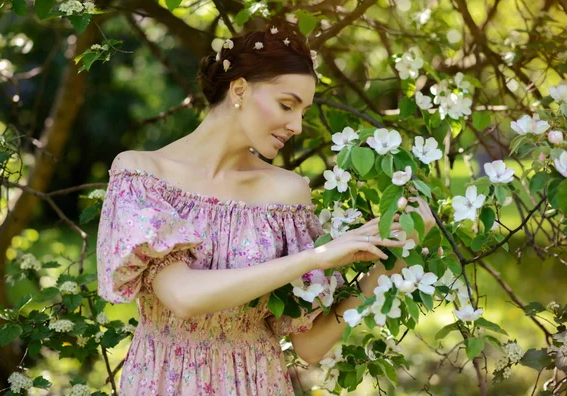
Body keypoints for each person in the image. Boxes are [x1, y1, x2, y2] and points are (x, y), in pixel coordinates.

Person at [96, 24, 416, 395]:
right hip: (165, 380)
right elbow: (183, 297)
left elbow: (309, 346)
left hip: (256, 382)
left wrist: (390, 262)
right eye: (286, 104)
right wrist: (317, 257)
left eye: (304, 111)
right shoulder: (142, 175)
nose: (296, 125)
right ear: (240, 89)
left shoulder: (286, 195)